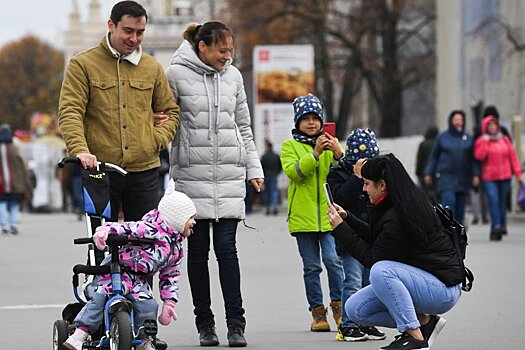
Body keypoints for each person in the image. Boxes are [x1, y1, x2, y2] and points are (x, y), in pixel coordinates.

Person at [165, 21, 264, 347]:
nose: (228, 56)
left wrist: (254, 168)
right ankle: (204, 325)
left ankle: (236, 325)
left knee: (227, 252)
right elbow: (166, 120)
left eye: (231, 50)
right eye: (222, 50)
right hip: (191, 177)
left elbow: (244, 127)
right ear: (203, 46)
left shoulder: (233, 77)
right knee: (196, 255)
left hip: (228, 176)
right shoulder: (175, 75)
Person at [58, 0, 180, 223]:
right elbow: (70, 112)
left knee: (144, 243)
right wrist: (80, 150)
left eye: (140, 32)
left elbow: (171, 112)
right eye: (128, 31)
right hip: (100, 170)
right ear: (111, 25)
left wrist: (155, 140)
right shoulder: (82, 64)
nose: (134, 39)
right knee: (101, 244)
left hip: (145, 171)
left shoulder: (151, 67)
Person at [328, 154, 464, 350]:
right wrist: (347, 218)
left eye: (366, 183)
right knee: (355, 308)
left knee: (381, 271)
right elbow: (379, 239)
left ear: (382, 185)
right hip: (424, 281)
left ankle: (415, 337)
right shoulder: (395, 203)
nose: (363, 189)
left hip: (442, 289)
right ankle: (425, 322)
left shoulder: (398, 215)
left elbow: (373, 258)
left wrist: (340, 229)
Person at [63, 182, 197, 350]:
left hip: (138, 279)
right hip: (116, 270)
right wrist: (106, 231)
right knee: (102, 294)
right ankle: (80, 333)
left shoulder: (176, 248)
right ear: (177, 218)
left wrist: (169, 302)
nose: (194, 222)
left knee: (148, 305)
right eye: (190, 218)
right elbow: (125, 228)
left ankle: (143, 340)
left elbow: (170, 275)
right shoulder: (149, 229)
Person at [280, 93, 344, 333]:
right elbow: (294, 172)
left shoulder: (331, 143)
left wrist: (338, 152)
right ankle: (317, 312)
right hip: (302, 217)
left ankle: (339, 307)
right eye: (305, 118)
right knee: (311, 267)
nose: (311, 123)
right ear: (297, 122)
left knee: (333, 261)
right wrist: (314, 154)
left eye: (315, 118)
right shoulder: (290, 146)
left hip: (330, 216)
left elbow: (347, 171)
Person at [326, 128, 386, 342]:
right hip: (349, 239)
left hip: (372, 237)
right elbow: (340, 199)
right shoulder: (337, 174)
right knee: (352, 281)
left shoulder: (378, 178)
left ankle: (365, 321)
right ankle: (348, 325)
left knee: (369, 283)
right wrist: (356, 177)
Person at [424, 110, 480, 225]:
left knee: (461, 208)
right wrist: (429, 172)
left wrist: (476, 174)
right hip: (446, 178)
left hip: (463, 178)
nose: (458, 122)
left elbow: (473, 160)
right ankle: (447, 229)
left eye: (461, 120)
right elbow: (434, 157)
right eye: (456, 120)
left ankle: (458, 232)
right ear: (451, 121)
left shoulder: (468, 139)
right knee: (449, 203)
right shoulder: (442, 138)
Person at [474, 115, 523, 240]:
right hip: (490, 177)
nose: (492, 127)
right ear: (486, 127)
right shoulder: (482, 141)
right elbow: (479, 156)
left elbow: (513, 158)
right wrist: (485, 141)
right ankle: (496, 225)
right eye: (490, 125)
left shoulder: (505, 139)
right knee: (493, 201)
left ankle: (500, 226)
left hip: (505, 177)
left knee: (502, 203)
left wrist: (519, 175)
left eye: (494, 125)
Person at [0, 124, 32, 235]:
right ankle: (13, 225)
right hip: (15, 182)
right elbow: (23, 166)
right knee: (14, 204)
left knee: (2, 204)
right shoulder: (15, 147)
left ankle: (4, 226)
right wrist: (26, 183)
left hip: (1, 184)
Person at [415, 125, 439, 203]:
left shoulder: (423, 144)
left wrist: (418, 173)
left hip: (424, 173)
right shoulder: (438, 144)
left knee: (426, 196)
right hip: (437, 173)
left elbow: (419, 160)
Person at [260, 140, 282, 215]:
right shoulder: (276, 156)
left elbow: (261, 167)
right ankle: (275, 207)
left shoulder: (264, 156)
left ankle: (267, 208)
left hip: (266, 176)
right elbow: (280, 166)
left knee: (266, 192)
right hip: (274, 175)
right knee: (274, 192)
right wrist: (277, 173)